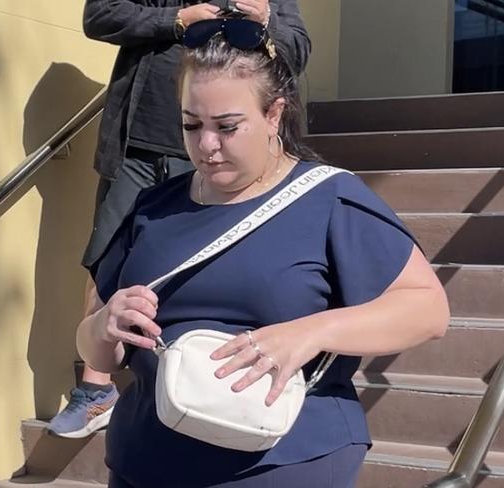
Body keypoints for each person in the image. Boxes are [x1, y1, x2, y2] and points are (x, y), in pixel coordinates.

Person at [76, 21, 450, 488]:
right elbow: (101, 354)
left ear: (274, 114)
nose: (207, 146)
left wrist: (312, 332)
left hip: (280, 461)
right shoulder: (154, 206)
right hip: (147, 459)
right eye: (191, 125)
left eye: (227, 127)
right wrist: (104, 323)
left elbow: (428, 310)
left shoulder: (328, 197)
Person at [47, 0, 311, 438]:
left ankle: (200, 387)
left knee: (215, 265)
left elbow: (296, 52)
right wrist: (176, 21)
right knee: (107, 253)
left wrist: (266, 19)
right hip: (139, 142)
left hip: (229, 155)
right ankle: (96, 390)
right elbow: (100, 16)